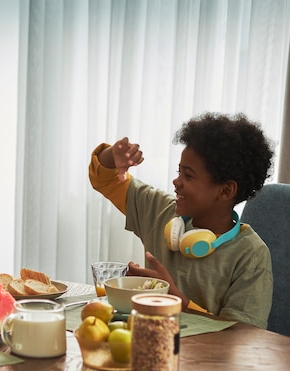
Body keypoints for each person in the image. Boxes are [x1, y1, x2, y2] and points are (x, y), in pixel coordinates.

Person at [89, 112, 274, 329]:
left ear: (226, 190)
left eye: (188, 175)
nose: (176, 181)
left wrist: (177, 302)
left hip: (207, 361)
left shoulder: (251, 256)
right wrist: (113, 157)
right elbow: (105, 178)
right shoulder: (161, 210)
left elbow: (244, 336)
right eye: (179, 171)